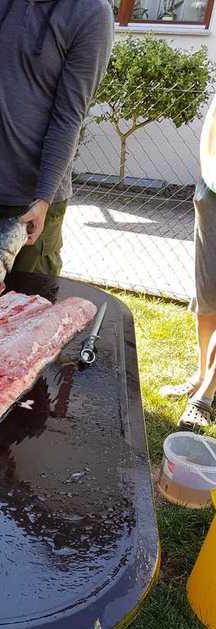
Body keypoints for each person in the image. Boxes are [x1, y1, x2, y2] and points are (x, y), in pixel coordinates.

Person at [0, 0, 114, 275]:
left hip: (32, 203)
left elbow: (68, 116)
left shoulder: (91, 12)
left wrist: (43, 199)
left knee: (29, 296)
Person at [160, 96, 216, 429]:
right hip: (211, 194)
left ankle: (206, 394)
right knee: (206, 295)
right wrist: (208, 175)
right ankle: (200, 375)